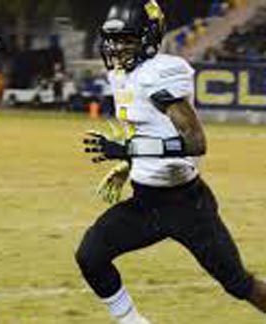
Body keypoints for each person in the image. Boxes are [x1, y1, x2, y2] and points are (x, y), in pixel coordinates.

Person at [76, 1, 266, 323]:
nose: (117, 48)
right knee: (91, 255)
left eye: (127, 39)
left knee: (238, 284)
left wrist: (127, 152)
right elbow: (148, 128)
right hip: (146, 203)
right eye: (114, 39)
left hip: (187, 205)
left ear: (149, 37)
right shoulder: (123, 76)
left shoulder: (161, 72)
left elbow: (195, 142)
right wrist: (128, 166)